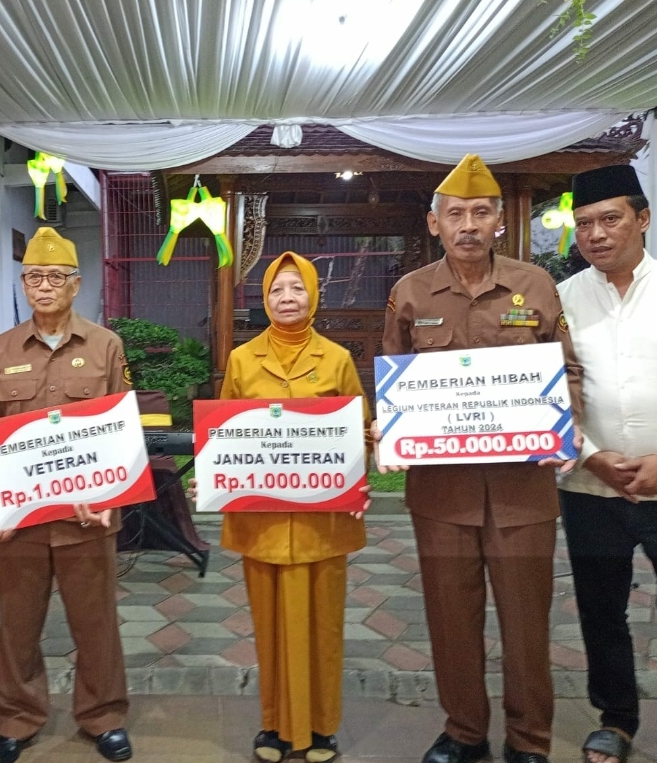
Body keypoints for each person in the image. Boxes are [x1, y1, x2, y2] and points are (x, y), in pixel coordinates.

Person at [378, 155, 582, 763]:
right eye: (456, 214)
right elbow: (392, 377)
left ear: (499, 221)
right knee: (450, 619)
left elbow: (566, 370)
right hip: (441, 496)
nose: (468, 224)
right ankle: (465, 731)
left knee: (525, 623)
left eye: (481, 212)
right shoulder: (409, 292)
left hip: (522, 492)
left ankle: (529, 741)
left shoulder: (536, 285)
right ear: (434, 223)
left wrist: (561, 421)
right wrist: (391, 429)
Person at [557, 165, 657, 763]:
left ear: (642, 218)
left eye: (609, 219)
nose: (596, 234)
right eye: (584, 225)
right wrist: (591, 457)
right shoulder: (562, 299)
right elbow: (546, 394)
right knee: (600, 610)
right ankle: (616, 720)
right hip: (591, 489)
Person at [0, 227, 133, 763]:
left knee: (96, 624)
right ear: (23, 284)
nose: (44, 287)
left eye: (55, 278)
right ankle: (17, 719)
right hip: (21, 520)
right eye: (34, 277)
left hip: (87, 515)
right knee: (17, 626)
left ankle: (104, 715)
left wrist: (111, 494)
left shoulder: (105, 346)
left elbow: (121, 428)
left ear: (76, 284)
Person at [218, 251, 371, 763]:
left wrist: (359, 478)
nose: (287, 298)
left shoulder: (337, 359)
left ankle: (322, 727)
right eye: (277, 290)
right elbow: (227, 436)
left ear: (313, 294)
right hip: (261, 522)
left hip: (321, 522)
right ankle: (274, 727)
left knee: (323, 626)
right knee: (269, 626)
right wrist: (218, 481)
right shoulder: (242, 360)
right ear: (264, 299)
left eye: (296, 288)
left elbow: (357, 434)